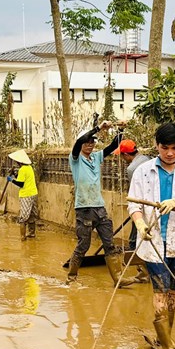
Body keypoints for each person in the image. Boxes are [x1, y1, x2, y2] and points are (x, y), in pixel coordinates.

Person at [127, 123, 175, 349]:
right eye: (164, 147)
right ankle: (168, 346)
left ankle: (166, 336)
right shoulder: (143, 171)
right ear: (156, 146)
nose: (169, 153)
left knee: (174, 293)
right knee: (160, 291)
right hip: (153, 242)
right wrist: (140, 224)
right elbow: (134, 203)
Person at [67, 120, 132, 286]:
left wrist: (121, 129)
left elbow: (113, 145)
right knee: (83, 245)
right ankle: (72, 277)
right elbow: (78, 142)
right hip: (84, 209)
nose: (89, 145)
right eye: (87, 143)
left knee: (109, 244)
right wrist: (99, 128)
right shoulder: (75, 158)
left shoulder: (96, 157)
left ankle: (118, 278)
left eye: (92, 143)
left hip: (99, 208)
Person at [115, 139, 152, 283]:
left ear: (125, 155)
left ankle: (144, 274)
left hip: (141, 208)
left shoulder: (132, 169)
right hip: (157, 206)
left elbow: (135, 193)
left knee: (133, 240)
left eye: (122, 156)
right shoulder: (148, 159)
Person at [6, 149, 38, 240]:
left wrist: (11, 180)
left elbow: (21, 184)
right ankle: (32, 233)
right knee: (31, 214)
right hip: (33, 193)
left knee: (23, 217)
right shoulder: (29, 168)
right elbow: (21, 179)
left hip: (26, 195)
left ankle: (22, 236)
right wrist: (15, 175)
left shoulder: (23, 169)